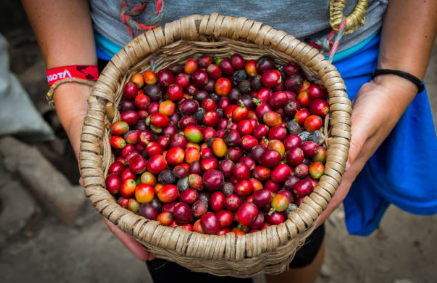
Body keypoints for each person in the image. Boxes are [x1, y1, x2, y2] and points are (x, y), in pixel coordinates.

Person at [21, 1, 437, 282]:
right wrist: (73, 94)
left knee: (300, 233)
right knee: (183, 263)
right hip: (134, 52)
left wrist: (398, 75)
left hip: (332, 56)